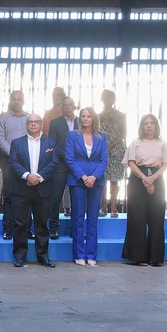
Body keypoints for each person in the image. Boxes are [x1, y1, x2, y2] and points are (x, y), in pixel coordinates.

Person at [121, 114, 167, 266]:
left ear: (156, 126)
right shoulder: (136, 142)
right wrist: (145, 178)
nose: (149, 126)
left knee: (156, 217)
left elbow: (165, 163)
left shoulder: (162, 143)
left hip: (156, 178)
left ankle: (155, 257)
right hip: (137, 180)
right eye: (146, 123)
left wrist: (152, 179)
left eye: (152, 123)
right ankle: (140, 256)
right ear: (141, 126)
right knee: (138, 217)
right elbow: (131, 163)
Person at [8, 114, 57, 268]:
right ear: (26, 124)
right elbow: (13, 162)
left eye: (36, 122)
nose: (33, 124)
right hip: (22, 188)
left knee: (42, 224)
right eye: (30, 122)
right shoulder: (16, 143)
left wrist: (39, 178)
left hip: (43, 189)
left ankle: (43, 257)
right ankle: (20, 257)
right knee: (20, 224)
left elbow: (54, 163)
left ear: (41, 124)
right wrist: (27, 176)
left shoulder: (51, 143)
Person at [65, 107, 108, 266]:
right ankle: (79, 254)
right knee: (78, 218)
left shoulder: (102, 137)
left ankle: (91, 255)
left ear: (93, 118)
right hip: (77, 181)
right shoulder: (72, 135)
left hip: (97, 182)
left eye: (89, 116)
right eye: (83, 116)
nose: (85, 118)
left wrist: (94, 177)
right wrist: (83, 177)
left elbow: (104, 160)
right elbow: (69, 159)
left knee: (93, 219)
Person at [0, 90, 27, 239]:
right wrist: (15, 153)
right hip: (8, 161)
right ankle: (8, 229)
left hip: (27, 162)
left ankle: (26, 229)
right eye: (14, 99)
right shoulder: (3, 118)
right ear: (10, 100)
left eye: (19, 99)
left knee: (27, 196)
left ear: (23, 101)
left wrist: (24, 156)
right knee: (8, 194)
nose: (17, 101)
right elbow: (0, 140)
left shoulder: (30, 118)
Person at [46, 96, 77, 240]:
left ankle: (75, 229)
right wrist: (68, 157)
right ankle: (53, 228)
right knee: (56, 198)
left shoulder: (81, 122)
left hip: (78, 166)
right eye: (65, 105)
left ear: (75, 106)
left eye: (70, 105)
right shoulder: (55, 123)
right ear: (62, 107)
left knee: (77, 199)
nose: (68, 107)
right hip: (60, 164)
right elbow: (52, 144)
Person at [99, 90, 126, 217]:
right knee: (102, 179)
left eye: (110, 97)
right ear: (102, 99)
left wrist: (112, 144)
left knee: (114, 180)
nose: (107, 99)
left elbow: (124, 134)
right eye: (105, 97)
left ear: (114, 99)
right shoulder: (97, 116)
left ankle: (114, 207)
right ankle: (103, 207)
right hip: (101, 150)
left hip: (116, 150)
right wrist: (104, 145)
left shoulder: (121, 115)